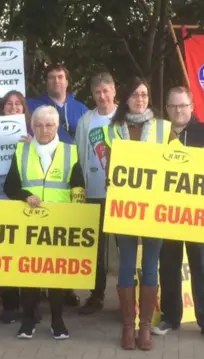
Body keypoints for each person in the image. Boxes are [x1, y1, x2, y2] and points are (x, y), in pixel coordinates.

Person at [151, 86, 204, 344]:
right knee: (169, 266)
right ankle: (169, 318)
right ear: (167, 109)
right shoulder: (158, 134)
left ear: (192, 107)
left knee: (202, 268)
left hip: (199, 216)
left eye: (183, 105)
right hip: (167, 213)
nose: (178, 110)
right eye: (173, 106)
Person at [4, 105, 86, 340]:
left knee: (56, 276)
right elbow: (9, 186)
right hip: (29, 224)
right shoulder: (21, 150)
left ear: (57, 126)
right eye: (38, 125)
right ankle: (28, 322)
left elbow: (78, 186)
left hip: (59, 225)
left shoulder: (70, 151)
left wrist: (76, 217)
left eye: (49, 125)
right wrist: (25, 196)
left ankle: (57, 322)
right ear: (32, 127)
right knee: (29, 275)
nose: (44, 129)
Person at [102, 77, 172, 351]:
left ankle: (145, 327)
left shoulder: (164, 129)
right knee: (126, 266)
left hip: (155, 209)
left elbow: (182, 165)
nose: (140, 99)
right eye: (134, 94)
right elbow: (109, 169)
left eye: (144, 94)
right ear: (126, 98)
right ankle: (127, 327)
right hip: (125, 208)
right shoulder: (113, 130)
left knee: (151, 265)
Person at [73, 72, 117, 315]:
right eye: (98, 92)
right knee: (95, 247)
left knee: (125, 246)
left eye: (106, 91)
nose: (102, 96)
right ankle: (96, 294)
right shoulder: (86, 120)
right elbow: (80, 154)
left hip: (121, 194)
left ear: (114, 91)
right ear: (93, 94)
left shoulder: (124, 118)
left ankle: (129, 297)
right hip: (94, 192)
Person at [0, 90, 32, 324]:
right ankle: (9, 304)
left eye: (18, 104)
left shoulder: (34, 130)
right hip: (0, 195)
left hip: (25, 195)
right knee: (5, 253)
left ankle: (29, 304)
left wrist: (31, 145)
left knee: (26, 253)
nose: (14, 107)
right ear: (2, 108)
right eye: (9, 104)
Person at [25, 64, 88, 145]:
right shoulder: (30, 106)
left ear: (67, 82)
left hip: (74, 156)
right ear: (46, 82)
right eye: (51, 77)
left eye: (60, 77)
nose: (56, 81)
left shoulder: (81, 109)